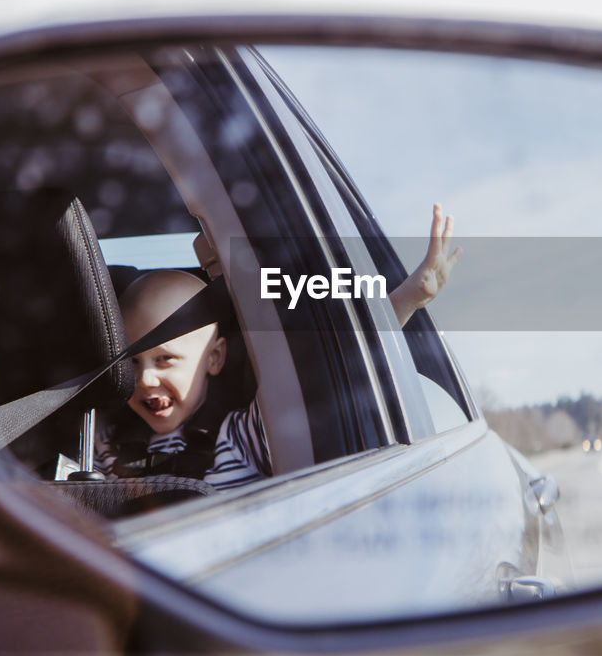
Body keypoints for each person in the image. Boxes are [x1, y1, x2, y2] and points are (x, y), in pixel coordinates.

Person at [99, 203, 462, 489]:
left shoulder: (239, 436)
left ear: (214, 358)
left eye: (165, 360)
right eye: (131, 363)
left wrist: (406, 301)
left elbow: (335, 374)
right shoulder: (105, 442)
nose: (145, 380)